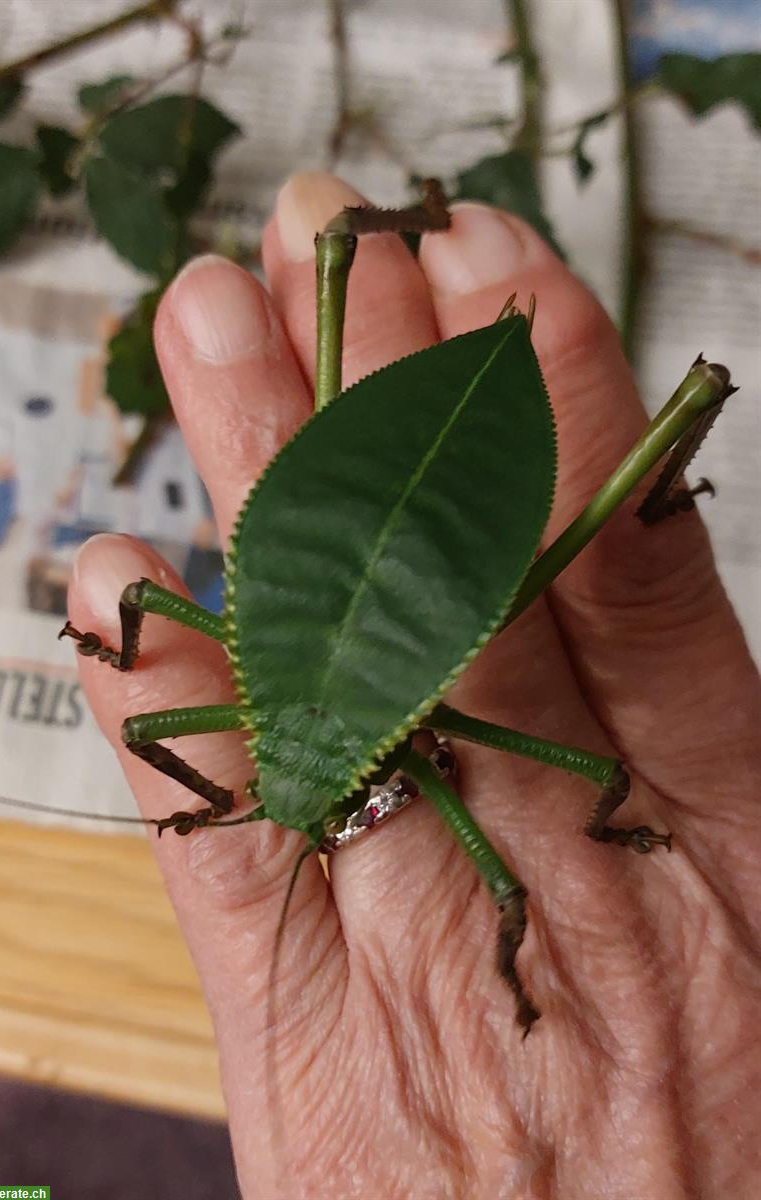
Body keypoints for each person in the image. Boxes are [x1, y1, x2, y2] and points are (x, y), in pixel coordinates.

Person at [66, 173, 761, 1199]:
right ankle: (421, 231)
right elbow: (140, 628)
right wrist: (131, 656)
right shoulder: (252, 701)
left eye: (245, 788)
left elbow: (531, 862)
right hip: (396, 525)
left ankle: (642, 444)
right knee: (334, 243)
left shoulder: (293, 735)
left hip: (416, 509)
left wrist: (202, 787)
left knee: (634, 490)